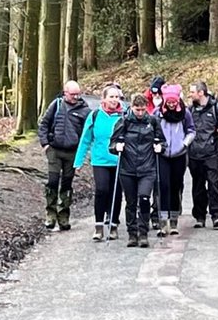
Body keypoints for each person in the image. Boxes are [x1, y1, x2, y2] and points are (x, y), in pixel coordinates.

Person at [109, 94, 165, 248]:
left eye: (142, 110)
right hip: (128, 169)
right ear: (131, 108)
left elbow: (162, 141)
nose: (140, 113)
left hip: (147, 168)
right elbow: (112, 144)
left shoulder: (152, 121)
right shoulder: (124, 122)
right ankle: (132, 233)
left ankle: (144, 232)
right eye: (137, 110)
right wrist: (116, 147)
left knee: (145, 198)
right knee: (131, 202)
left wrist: (160, 147)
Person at [74, 84, 126, 241]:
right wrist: (79, 161)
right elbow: (86, 139)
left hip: (119, 161)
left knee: (116, 193)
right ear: (104, 99)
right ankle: (98, 226)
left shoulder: (124, 115)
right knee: (102, 190)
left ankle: (113, 224)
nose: (114, 100)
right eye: (111, 96)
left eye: (116, 97)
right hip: (100, 160)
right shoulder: (95, 115)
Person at [38, 80, 91, 231]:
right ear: (65, 92)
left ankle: (64, 216)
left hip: (72, 152)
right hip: (54, 150)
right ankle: (50, 214)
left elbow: (87, 134)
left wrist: (83, 155)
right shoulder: (56, 105)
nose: (75, 97)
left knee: (67, 183)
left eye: (77, 94)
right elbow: (43, 124)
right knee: (53, 181)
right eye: (72, 94)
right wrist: (45, 144)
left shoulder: (85, 110)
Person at [186, 81, 218, 229]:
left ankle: (216, 215)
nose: (190, 95)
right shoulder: (190, 110)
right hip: (194, 153)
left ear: (201, 93)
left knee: (213, 183)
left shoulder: (216, 107)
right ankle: (200, 216)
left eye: (192, 92)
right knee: (198, 186)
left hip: (212, 152)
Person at [155, 84, 194, 236]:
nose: (171, 105)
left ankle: (174, 220)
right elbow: (151, 129)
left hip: (179, 154)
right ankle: (163, 221)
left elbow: (191, 130)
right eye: (168, 102)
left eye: (173, 102)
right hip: (162, 154)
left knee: (175, 186)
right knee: (163, 186)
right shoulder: (157, 113)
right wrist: (156, 143)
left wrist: (184, 143)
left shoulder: (185, 113)